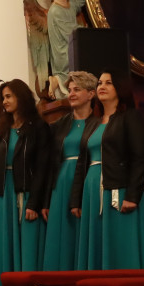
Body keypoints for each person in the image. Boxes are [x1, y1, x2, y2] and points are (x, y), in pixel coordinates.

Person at [70, 71, 144, 270]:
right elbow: (82, 162)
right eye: (99, 83)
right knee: (97, 241)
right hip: (92, 191)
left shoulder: (130, 117)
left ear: (120, 89)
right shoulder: (93, 122)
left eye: (109, 82)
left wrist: (133, 195)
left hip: (119, 188)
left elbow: (140, 157)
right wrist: (76, 199)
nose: (102, 86)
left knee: (120, 241)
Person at [0, 80, 50, 286]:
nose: (5, 101)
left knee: (26, 249)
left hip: (25, 192)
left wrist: (34, 202)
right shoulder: (3, 128)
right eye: (3, 97)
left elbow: (42, 168)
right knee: (5, 249)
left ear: (22, 97)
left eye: (9, 96)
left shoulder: (38, 127)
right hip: (4, 194)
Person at [42, 72, 100, 271]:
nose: (71, 94)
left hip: (86, 179)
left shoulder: (99, 124)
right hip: (61, 181)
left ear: (91, 94)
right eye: (70, 90)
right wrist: (46, 198)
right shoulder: (58, 125)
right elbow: (48, 162)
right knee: (61, 235)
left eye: (77, 89)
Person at [46, 0, 87, 100]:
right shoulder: (55, 10)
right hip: (63, 52)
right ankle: (57, 79)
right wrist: (84, 30)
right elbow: (70, 33)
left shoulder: (70, 4)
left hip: (71, 46)